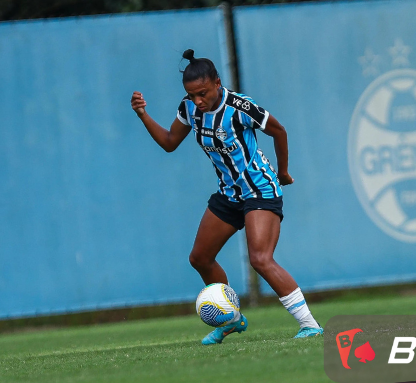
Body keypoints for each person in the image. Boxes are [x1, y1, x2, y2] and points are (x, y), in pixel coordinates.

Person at [130, 49, 323, 345]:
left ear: (218, 83)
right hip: (229, 194)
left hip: (259, 188)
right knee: (200, 258)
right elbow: (170, 142)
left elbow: (279, 131)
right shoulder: (189, 109)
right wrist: (143, 114)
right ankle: (232, 320)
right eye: (192, 94)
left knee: (260, 259)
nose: (198, 100)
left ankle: (310, 325)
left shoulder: (241, 107)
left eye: (203, 93)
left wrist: (283, 173)